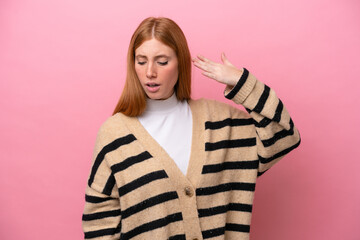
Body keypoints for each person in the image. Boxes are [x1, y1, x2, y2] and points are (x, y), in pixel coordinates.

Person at [82, 17, 301, 240]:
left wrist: (241, 82)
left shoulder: (221, 124)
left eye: (162, 61)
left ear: (181, 63)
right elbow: (99, 223)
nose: (150, 72)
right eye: (141, 61)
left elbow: (283, 135)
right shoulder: (114, 135)